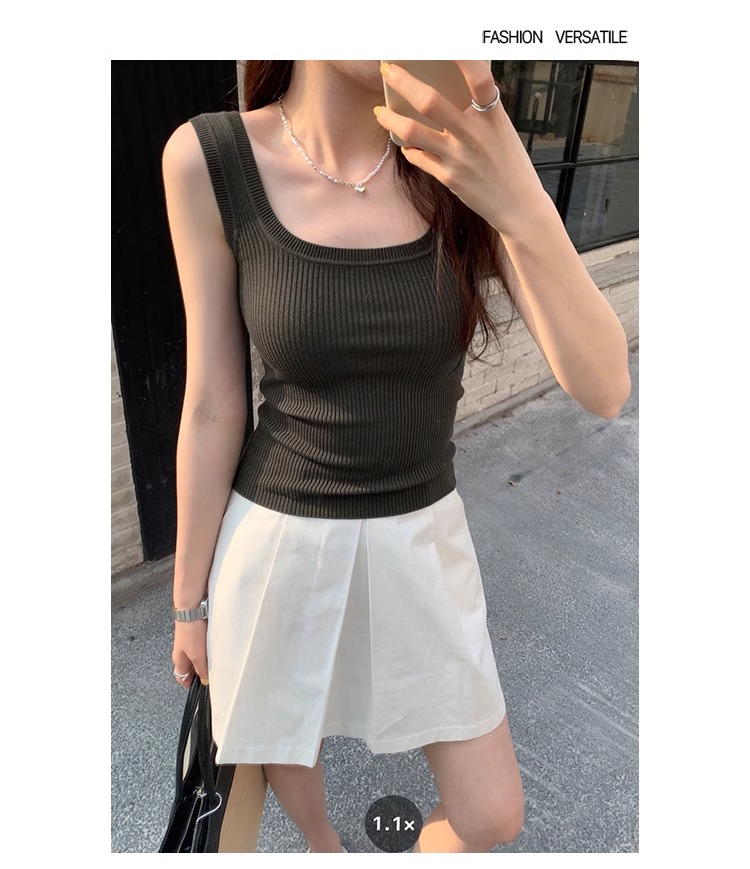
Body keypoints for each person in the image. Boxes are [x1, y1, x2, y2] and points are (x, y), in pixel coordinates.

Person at [161, 60, 631, 854]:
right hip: (275, 537)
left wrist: (517, 190)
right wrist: (188, 605)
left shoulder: (460, 157)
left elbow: (606, 385)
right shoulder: (208, 158)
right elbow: (212, 401)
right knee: (286, 733)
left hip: (422, 539)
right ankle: (326, 844)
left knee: (490, 812)